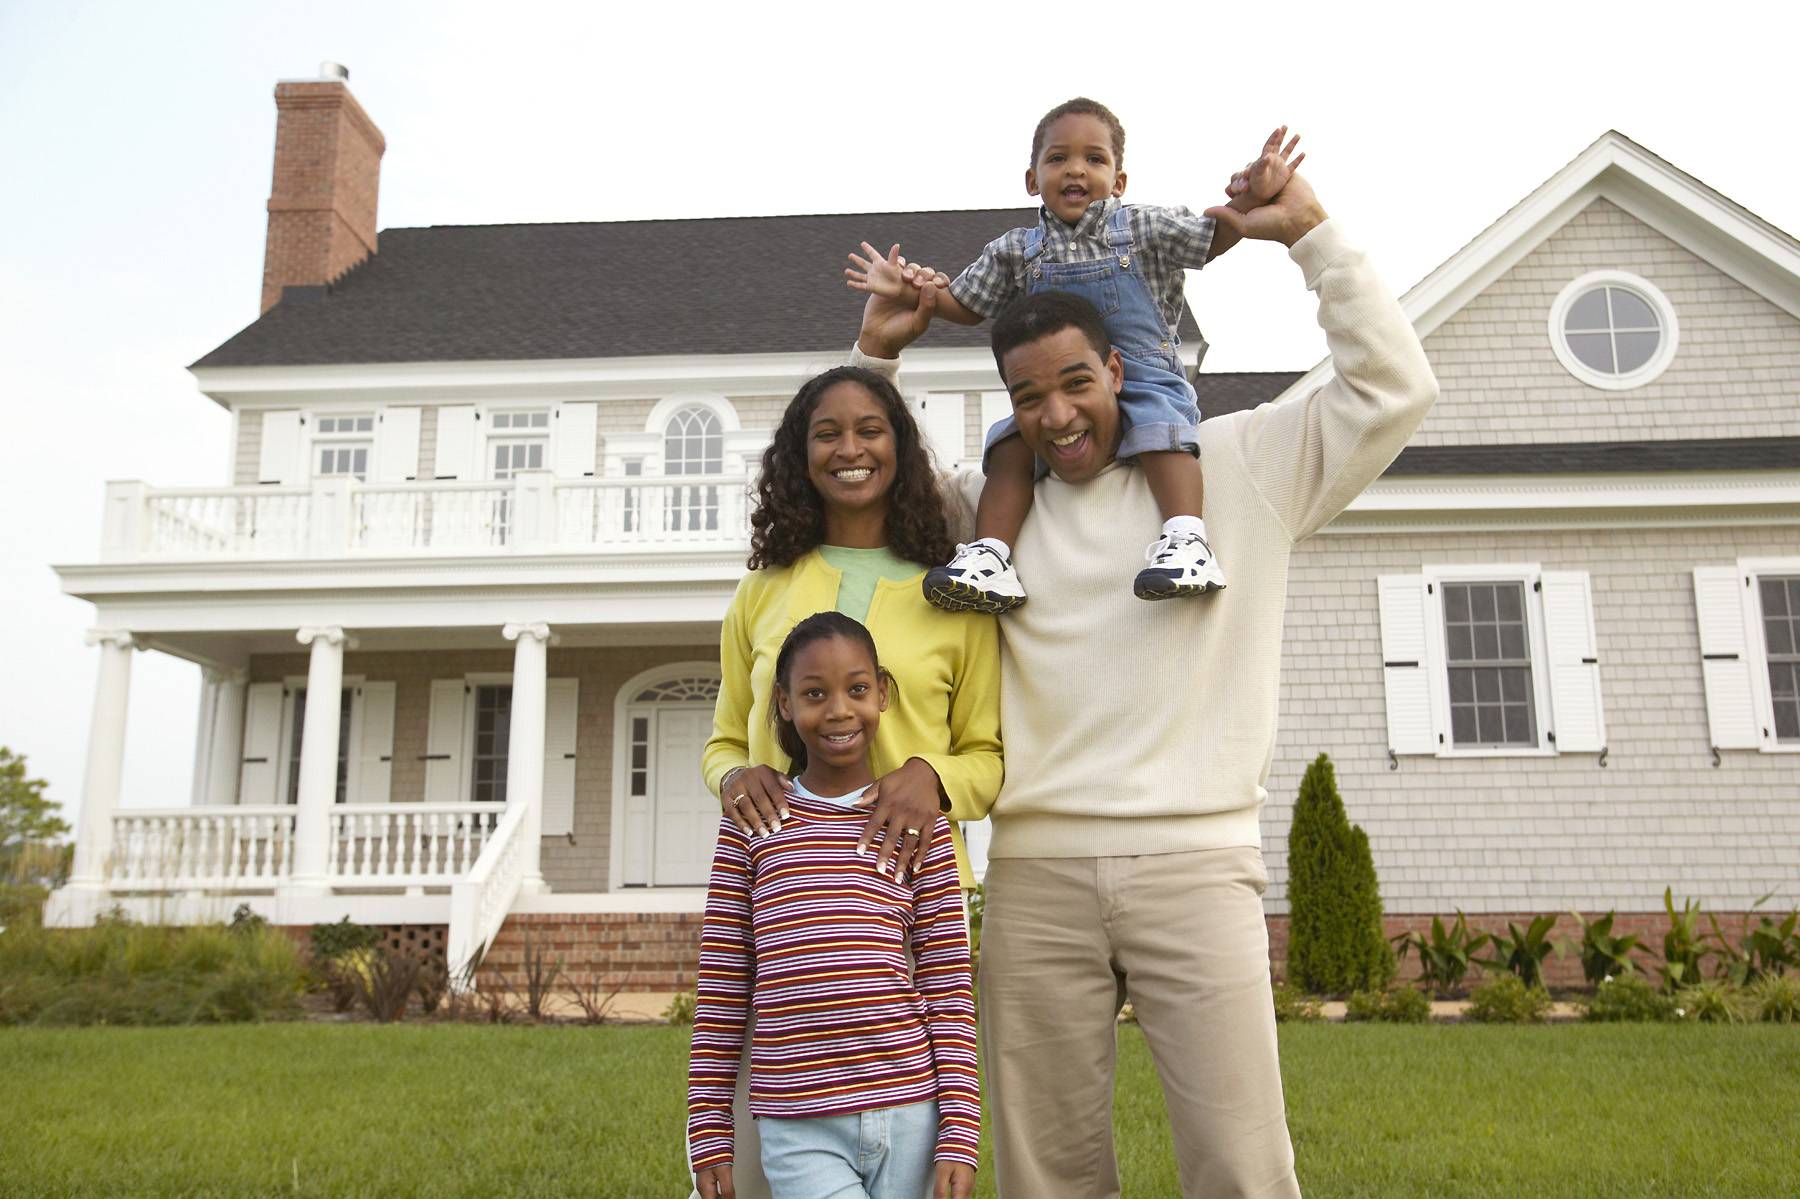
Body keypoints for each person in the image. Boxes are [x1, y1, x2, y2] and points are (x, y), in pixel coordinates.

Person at [850, 169, 1438, 1197]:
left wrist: (1311, 237)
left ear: (1122, 367)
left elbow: (1394, 389)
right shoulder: (998, 513)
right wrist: (879, 355)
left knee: (1241, 1166)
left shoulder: (1236, 463)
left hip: (1196, 864)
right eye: (1028, 396)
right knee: (1049, 1172)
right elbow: (880, 479)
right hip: (1037, 875)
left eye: (1076, 382)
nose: (1057, 413)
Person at [697, 363, 1003, 1198]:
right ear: (799, 455)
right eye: (825, 433)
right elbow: (725, 739)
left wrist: (929, 778)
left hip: (904, 903)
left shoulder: (955, 598)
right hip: (787, 906)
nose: (850, 448)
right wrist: (735, 781)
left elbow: (989, 757)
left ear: (901, 447)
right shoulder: (763, 589)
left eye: (871, 429)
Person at [847, 98, 1303, 613]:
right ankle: (993, 556)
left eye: (1094, 159)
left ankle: (1186, 539)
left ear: (1120, 180)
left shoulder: (1143, 228)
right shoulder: (1017, 251)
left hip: (1146, 374)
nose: (1076, 170)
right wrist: (911, 292)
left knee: (1163, 433)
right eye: (1059, 158)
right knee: (1009, 448)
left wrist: (1253, 197)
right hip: (1059, 389)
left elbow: (1212, 237)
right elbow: (966, 305)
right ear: (1031, 178)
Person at [689, 612, 979, 1199]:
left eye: (858, 688)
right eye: (815, 693)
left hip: (911, 1111)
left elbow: (948, 985)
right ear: (785, 704)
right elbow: (723, 986)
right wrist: (709, 1126)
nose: (840, 709)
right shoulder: (753, 822)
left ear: (884, 695)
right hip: (799, 1121)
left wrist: (960, 1134)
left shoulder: (918, 825)